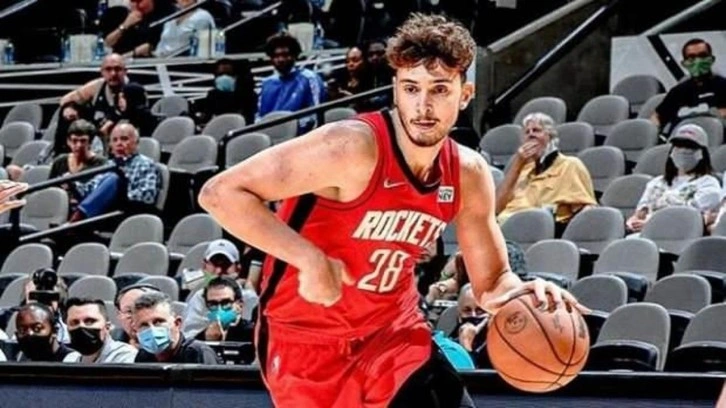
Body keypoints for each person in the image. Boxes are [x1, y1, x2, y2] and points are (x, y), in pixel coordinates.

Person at [199, 14, 586, 407]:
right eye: (411, 88)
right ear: (396, 90)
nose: (423, 106)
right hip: (305, 339)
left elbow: (491, 282)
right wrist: (308, 258)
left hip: (393, 332)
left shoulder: (467, 173)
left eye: (439, 89)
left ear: (465, 94)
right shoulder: (350, 147)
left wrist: (522, 293)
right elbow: (220, 193)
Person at [495, 112, 597, 230]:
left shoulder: (570, 165)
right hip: (502, 225)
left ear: (550, 137)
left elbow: (586, 210)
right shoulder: (522, 170)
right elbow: (496, 207)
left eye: (536, 130)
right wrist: (517, 164)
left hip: (535, 228)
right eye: (527, 132)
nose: (531, 135)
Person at [627, 123, 721, 233]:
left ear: (701, 154)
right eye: (678, 146)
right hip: (645, 234)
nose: (682, 151)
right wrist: (632, 222)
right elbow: (640, 214)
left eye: (689, 147)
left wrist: (653, 224)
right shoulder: (656, 182)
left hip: (678, 235)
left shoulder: (709, 184)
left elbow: (692, 219)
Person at [69, 123, 161, 222]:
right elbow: (91, 188)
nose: (119, 143)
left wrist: (116, 193)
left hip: (128, 211)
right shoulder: (109, 164)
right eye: (115, 140)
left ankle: (77, 218)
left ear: (136, 142)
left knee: (114, 178)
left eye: (124, 139)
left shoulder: (145, 164)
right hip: (106, 210)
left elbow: (147, 197)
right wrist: (72, 185)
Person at [181, 239, 259, 338]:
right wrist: (207, 335)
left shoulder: (250, 298)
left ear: (238, 268)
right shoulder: (199, 297)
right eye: (214, 264)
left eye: (226, 264)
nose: (219, 271)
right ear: (204, 266)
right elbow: (188, 337)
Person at [651, 38, 726, 134]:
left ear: (712, 59)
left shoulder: (723, 85)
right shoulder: (678, 91)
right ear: (684, 63)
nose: (698, 61)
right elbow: (657, 116)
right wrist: (654, 129)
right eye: (691, 57)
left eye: (702, 56)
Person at [257, 32, 326, 134]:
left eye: (285, 55)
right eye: (276, 55)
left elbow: (315, 116)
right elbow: (259, 118)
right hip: (271, 138)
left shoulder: (309, 78)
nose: (281, 59)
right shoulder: (266, 83)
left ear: (295, 55)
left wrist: (289, 127)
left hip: (301, 137)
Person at [133, 291, 220, 364]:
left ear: (177, 323)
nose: (152, 329)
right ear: (136, 330)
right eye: (144, 325)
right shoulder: (143, 356)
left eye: (158, 322)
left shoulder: (198, 353)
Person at [59, 54, 129, 135]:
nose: (113, 73)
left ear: (125, 71)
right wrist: (69, 107)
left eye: (117, 69)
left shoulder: (135, 89)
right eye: (108, 69)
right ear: (102, 72)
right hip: (98, 136)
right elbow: (65, 99)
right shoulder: (97, 86)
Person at [64, 297, 138, 363]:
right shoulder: (70, 359)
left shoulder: (125, 355)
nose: (81, 326)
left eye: (90, 321)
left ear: (107, 327)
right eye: (74, 322)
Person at [104, 0, 177, 57]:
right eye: (132, 1)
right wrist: (125, 25)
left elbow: (148, 48)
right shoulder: (121, 14)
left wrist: (130, 55)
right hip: (119, 61)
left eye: (140, 1)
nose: (136, 5)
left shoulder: (165, 16)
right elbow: (108, 43)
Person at [197, 58, 258, 125]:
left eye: (228, 74)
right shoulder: (212, 95)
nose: (224, 77)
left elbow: (250, 118)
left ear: (235, 77)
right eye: (221, 75)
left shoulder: (248, 95)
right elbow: (206, 117)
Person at [15, 303, 80, 362]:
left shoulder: (73, 360)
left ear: (54, 330)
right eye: (22, 330)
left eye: (37, 329)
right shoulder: (20, 358)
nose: (30, 333)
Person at [197, 277, 254, 342]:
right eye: (213, 304)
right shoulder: (201, 339)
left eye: (226, 303)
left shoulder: (253, 334)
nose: (219, 309)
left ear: (240, 305)